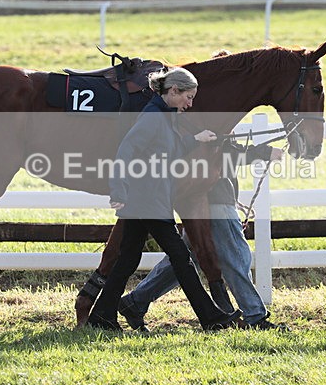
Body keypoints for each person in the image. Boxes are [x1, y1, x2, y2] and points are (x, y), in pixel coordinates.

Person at [87, 67, 241, 332]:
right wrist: (118, 190)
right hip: (147, 199)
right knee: (181, 258)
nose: (190, 104)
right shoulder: (153, 118)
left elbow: (168, 149)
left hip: (149, 198)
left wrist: (197, 139)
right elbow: (126, 151)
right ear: (173, 91)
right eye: (188, 97)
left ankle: (102, 315)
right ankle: (211, 318)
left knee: (128, 259)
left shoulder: (163, 118)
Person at [118, 139, 290, 331]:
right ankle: (254, 316)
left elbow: (223, 150)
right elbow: (221, 155)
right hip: (215, 200)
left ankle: (136, 301)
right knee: (236, 255)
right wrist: (263, 152)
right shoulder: (208, 118)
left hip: (203, 199)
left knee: (187, 259)